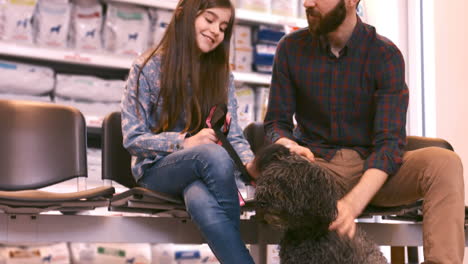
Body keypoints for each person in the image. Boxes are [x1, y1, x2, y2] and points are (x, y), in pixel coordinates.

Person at [264, 0, 464, 263]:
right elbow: (276, 124)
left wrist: (352, 204)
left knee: (444, 163)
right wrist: (287, 144)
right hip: (317, 170)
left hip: (373, 171)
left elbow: (389, 144)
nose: (307, 3)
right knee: (288, 176)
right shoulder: (290, 48)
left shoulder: (385, 55)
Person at [121, 0, 257, 263]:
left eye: (223, 26)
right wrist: (185, 142)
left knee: (199, 199)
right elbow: (133, 138)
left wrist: (250, 164)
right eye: (209, 19)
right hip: (156, 171)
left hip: (204, 177)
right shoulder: (147, 67)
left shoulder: (222, 76)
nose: (216, 30)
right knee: (213, 155)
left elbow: (234, 135)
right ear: (184, 15)